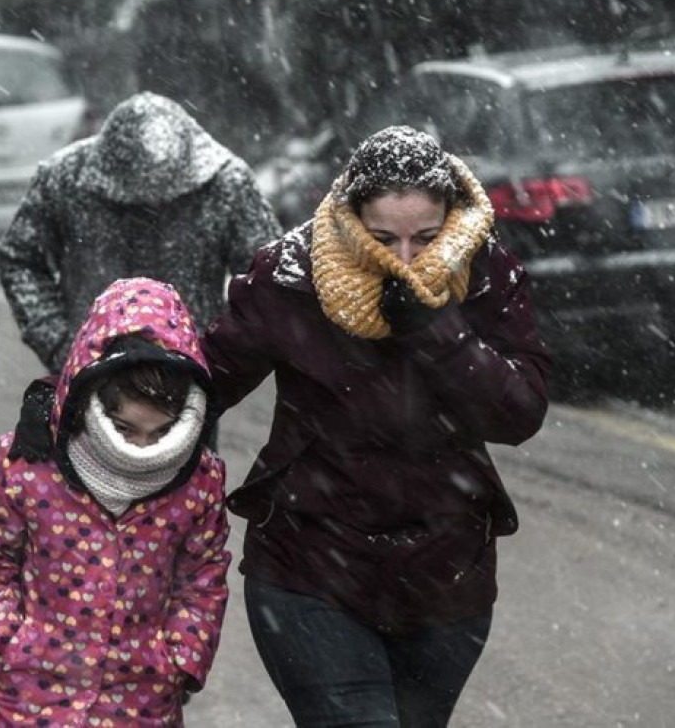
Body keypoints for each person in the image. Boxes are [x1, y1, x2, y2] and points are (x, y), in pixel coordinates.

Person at [200, 126, 551, 727]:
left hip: (445, 575)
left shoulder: (486, 268)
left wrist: (436, 329)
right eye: (384, 238)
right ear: (351, 219)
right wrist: (76, 405)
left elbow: (517, 412)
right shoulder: (290, 274)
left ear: (452, 218)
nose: (405, 261)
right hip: (307, 567)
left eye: (426, 238)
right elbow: (203, 383)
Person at [0, 277, 231, 727]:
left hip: (142, 698)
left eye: (160, 433)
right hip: (26, 695)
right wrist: (0, 641)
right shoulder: (28, 463)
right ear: (89, 400)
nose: (142, 448)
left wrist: (181, 658)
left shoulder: (197, 481)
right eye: (125, 429)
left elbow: (203, 576)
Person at [0, 91, 281, 374]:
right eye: (136, 203)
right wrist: (59, 345)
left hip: (189, 379)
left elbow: (267, 285)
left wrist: (217, 359)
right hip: (85, 371)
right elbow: (21, 259)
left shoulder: (225, 183)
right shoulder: (65, 177)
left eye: (163, 202)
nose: (151, 208)